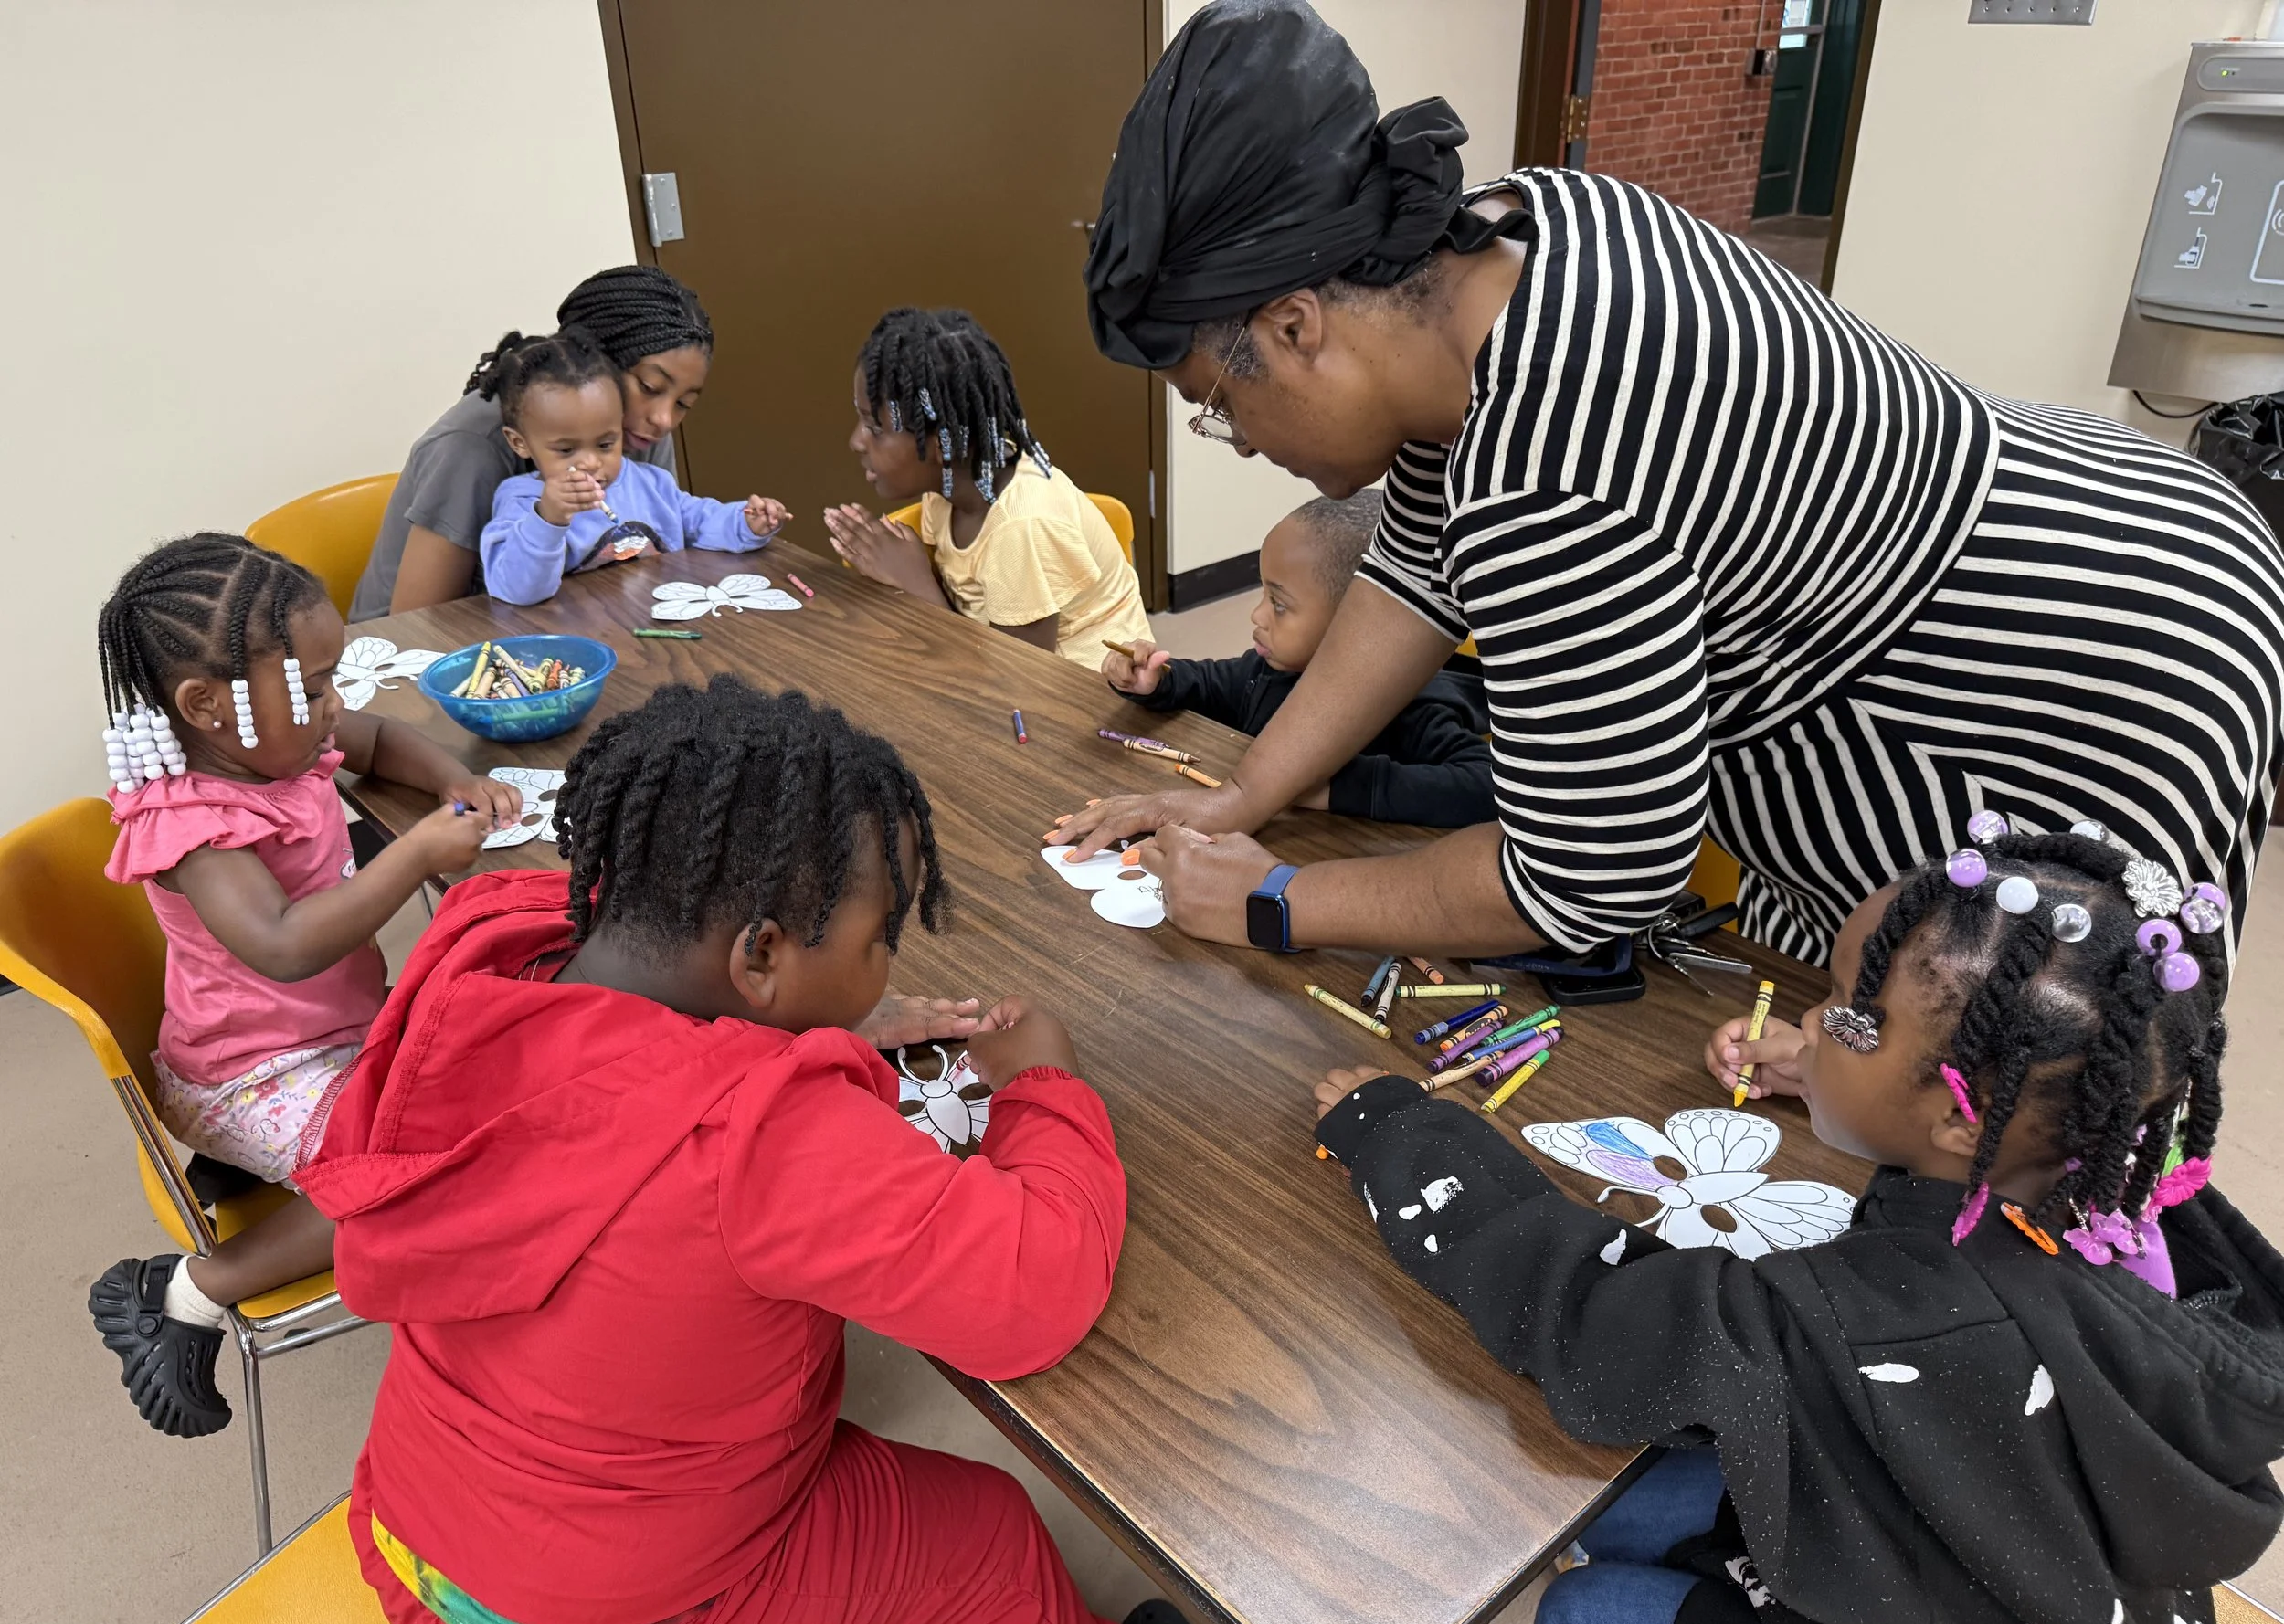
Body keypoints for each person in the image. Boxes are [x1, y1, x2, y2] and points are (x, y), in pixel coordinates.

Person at [1052, 0, 2284, 970]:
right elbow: (1416, 568)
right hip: (2113, 519)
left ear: (1298, 320)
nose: (1242, 438)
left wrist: (1274, 902)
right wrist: (1240, 797)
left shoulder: (1557, 463)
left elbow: (1591, 873)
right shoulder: (1504, 240)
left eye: (1220, 399)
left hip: (2085, 671)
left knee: (2029, 1074)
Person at [300, 679, 1204, 1624]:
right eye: (877, 942)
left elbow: (620, 1085)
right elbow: (1031, 1295)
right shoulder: (761, 1135)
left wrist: (811, 1027)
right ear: (762, 955)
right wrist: (1046, 1085)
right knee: (983, 1539)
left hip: (417, 1539)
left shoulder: (484, 952)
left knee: (862, 1502)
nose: (883, 965)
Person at [1312, 827, 2284, 1624]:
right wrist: (1839, 1082)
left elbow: (1589, 1314)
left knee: (1584, 1617)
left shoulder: (1856, 1317)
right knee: (1650, 1501)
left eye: (1848, 1019)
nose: (1811, 1025)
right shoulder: (2121, 1192)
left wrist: (1398, 1134)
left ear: (1958, 1114)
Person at [85, 533, 523, 1438]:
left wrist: (454, 779)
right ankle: (187, 1291)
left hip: (340, 1041)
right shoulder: (198, 826)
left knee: (508, 1065)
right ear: (206, 706)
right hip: (250, 1077)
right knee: (417, 1177)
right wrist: (416, 852)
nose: (335, 707)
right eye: (314, 687)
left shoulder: (284, 743)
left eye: (331, 680)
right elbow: (283, 947)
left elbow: (379, 739)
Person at [1102, 490, 1491, 827]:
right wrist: (1157, 681)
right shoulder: (1268, 669)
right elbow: (1208, 685)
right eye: (1263, 595)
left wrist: (1340, 788)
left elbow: (1483, 786)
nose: (1256, 615)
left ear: (1357, 619)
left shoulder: (1413, 706)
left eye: (1279, 604)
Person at [350, 265, 717, 620]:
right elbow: (419, 621)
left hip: (582, 620)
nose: (664, 419)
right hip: (419, 649)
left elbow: (662, 548)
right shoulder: (471, 445)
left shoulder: (635, 429)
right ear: (593, 361)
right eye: (650, 388)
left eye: (684, 403)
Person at [822, 307, 1156, 669]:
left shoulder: (1022, 526)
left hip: (1082, 699)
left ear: (942, 444)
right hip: (993, 670)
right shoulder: (948, 489)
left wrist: (914, 583)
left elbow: (1017, 682)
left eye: (874, 427)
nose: (856, 442)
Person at [478, 328, 788, 606]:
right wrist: (549, 519)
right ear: (519, 443)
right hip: (582, 652)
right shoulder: (523, 501)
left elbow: (701, 521)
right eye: (566, 450)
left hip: (662, 632)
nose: (590, 462)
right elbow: (516, 591)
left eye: (605, 444)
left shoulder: (650, 484)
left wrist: (747, 523)